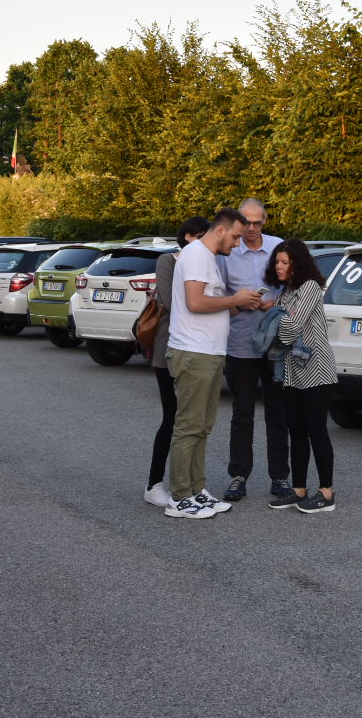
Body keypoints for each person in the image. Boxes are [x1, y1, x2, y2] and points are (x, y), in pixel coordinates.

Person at [164, 208, 264, 519]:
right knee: (189, 427)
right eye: (235, 237)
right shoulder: (196, 254)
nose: (237, 243)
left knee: (202, 427)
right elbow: (195, 302)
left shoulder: (208, 258)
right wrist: (235, 299)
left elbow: (215, 305)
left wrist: (244, 303)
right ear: (220, 230)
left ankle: (196, 490)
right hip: (194, 352)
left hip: (209, 353)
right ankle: (179, 498)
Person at [218, 197, 289, 502]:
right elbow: (217, 297)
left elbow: (294, 288)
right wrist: (238, 302)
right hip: (240, 343)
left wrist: (275, 302)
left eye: (257, 222)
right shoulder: (228, 252)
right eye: (246, 222)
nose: (250, 228)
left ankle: (280, 477)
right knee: (242, 413)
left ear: (265, 221)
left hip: (274, 345)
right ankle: (238, 476)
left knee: (278, 413)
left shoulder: (278, 246)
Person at [264, 240, 339, 513]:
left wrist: (278, 321)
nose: (279, 266)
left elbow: (290, 327)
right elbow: (280, 324)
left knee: (316, 429)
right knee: (295, 430)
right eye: (277, 262)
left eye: (284, 262)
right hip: (292, 371)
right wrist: (280, 320)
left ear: (298, 263)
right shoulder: (287, 291)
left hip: (316, 369)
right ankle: (298, 490)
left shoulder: (309, 287)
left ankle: (327, 493)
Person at [143, 215, 211, 508]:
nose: (203, 243)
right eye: (199, 236)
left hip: (196, 349)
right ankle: (154, 484)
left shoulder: (208, 263)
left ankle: (191, 486)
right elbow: (174, 302)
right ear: (187, 237)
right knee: (172, 418)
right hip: (167, 348)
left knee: (193, 421)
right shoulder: (167, 261)